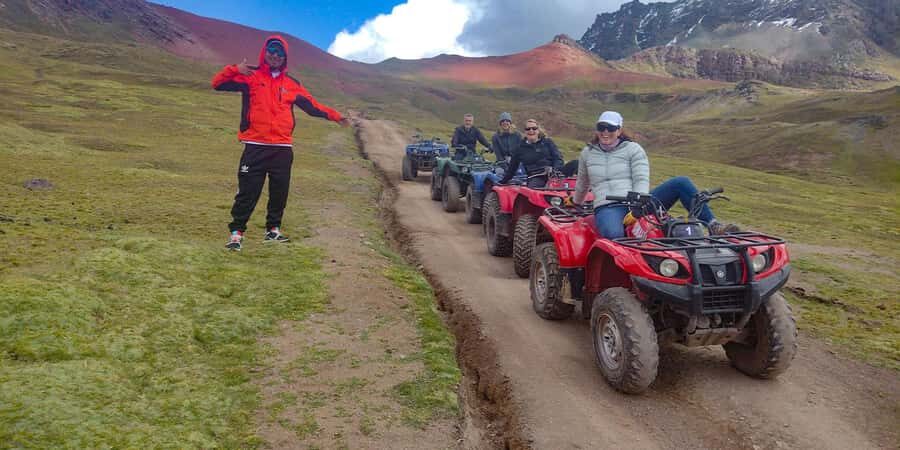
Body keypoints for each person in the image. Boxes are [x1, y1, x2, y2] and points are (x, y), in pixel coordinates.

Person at [212, 35, 350, 251]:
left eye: (279, 52)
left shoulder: (291, 84)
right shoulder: (251, 76)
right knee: (248, 191)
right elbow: (217, 84)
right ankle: (236, 233)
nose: (275, 55)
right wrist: (235, 69)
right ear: (264, 52)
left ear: (285, 57)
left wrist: (335, 116)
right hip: (255, 146)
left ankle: (273, 231)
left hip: (282, 148)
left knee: (279, 191)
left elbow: (313, 107)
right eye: (271, 51)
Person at [572, 111, 738, 238]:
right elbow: (582, 183)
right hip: (608, 206)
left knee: (681, 183)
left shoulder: (633, 149)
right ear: (597, 129)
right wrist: (575, 202)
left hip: (639, 201)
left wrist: (638, 205)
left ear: (619, 130)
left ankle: (713, 225)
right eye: (602, 128)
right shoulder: (588, 153)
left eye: (611, 128)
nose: (605, 132)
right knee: (614, 235)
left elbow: (641, 177)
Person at [499, 119, 564, 188]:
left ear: (538, 130)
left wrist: (555, 170)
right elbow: (512, 168)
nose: (531, 130)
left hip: (555, 174)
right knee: (532, 190)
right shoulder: (520, 148)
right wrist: (503, 181)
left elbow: (558, 158)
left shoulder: (547, 142)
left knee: (575, 164)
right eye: (528, 129)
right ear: (525, 132)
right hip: (536, 177)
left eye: (534, 128)